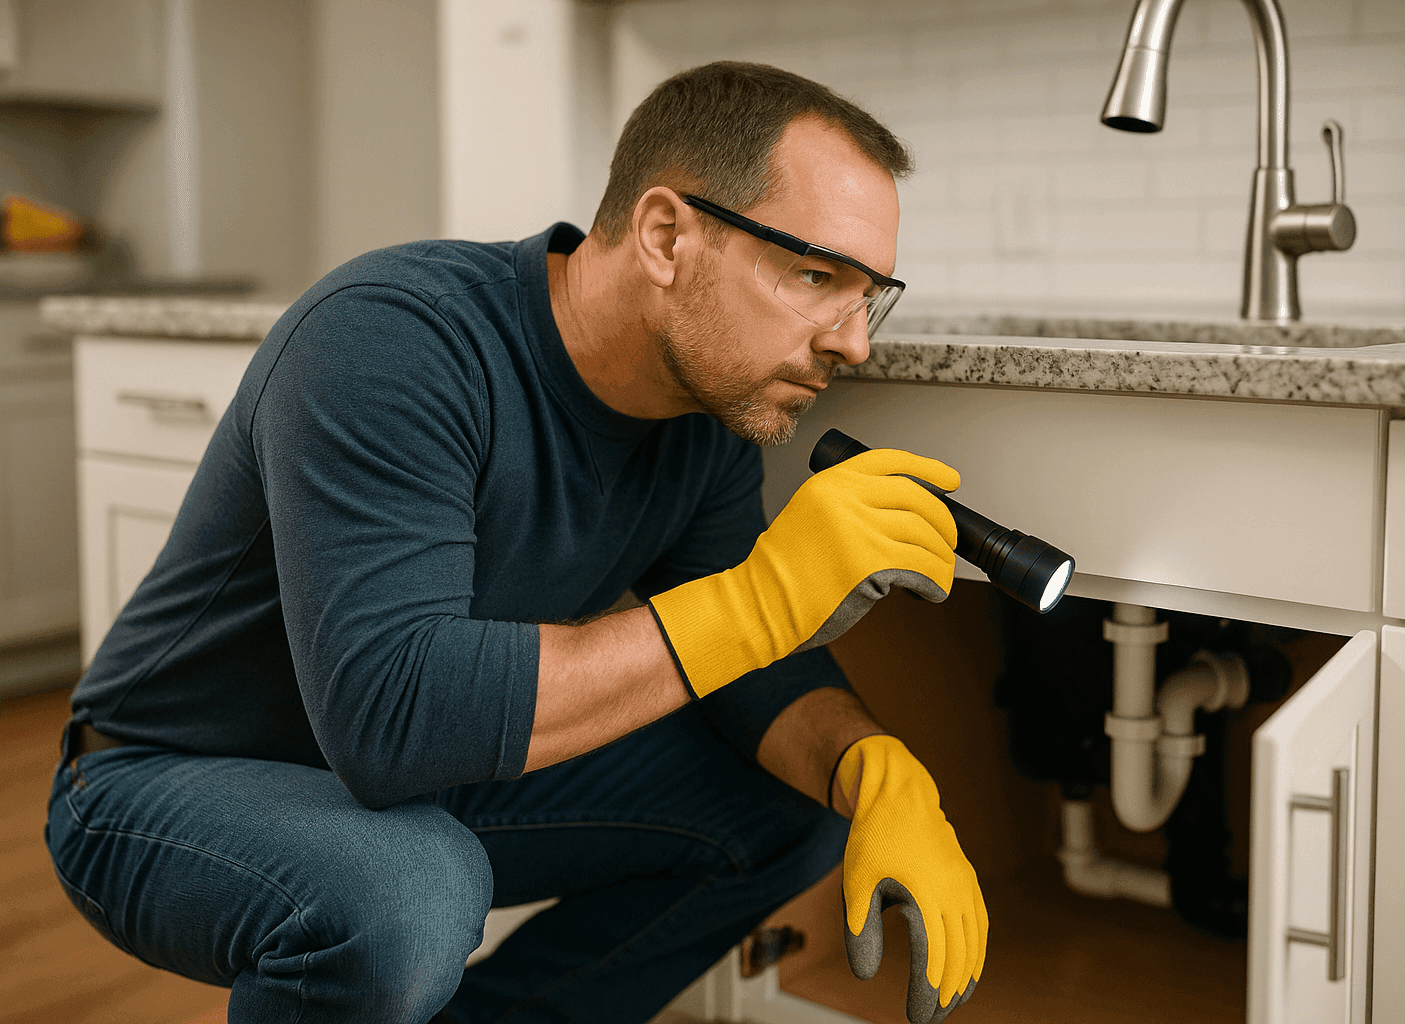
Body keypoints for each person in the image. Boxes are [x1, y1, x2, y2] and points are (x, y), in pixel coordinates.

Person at [46, 61, 987, 1024]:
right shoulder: (392, 339)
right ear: (666, 236)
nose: (853, 343)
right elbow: (392, 717)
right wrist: (763, 598)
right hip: (163, 779)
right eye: (814, 275)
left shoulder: (707, 417)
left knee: (787, 803)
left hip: (423, 778)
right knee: (407, 890)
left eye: (867, 294)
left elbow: (746, 672)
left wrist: (876, 769)